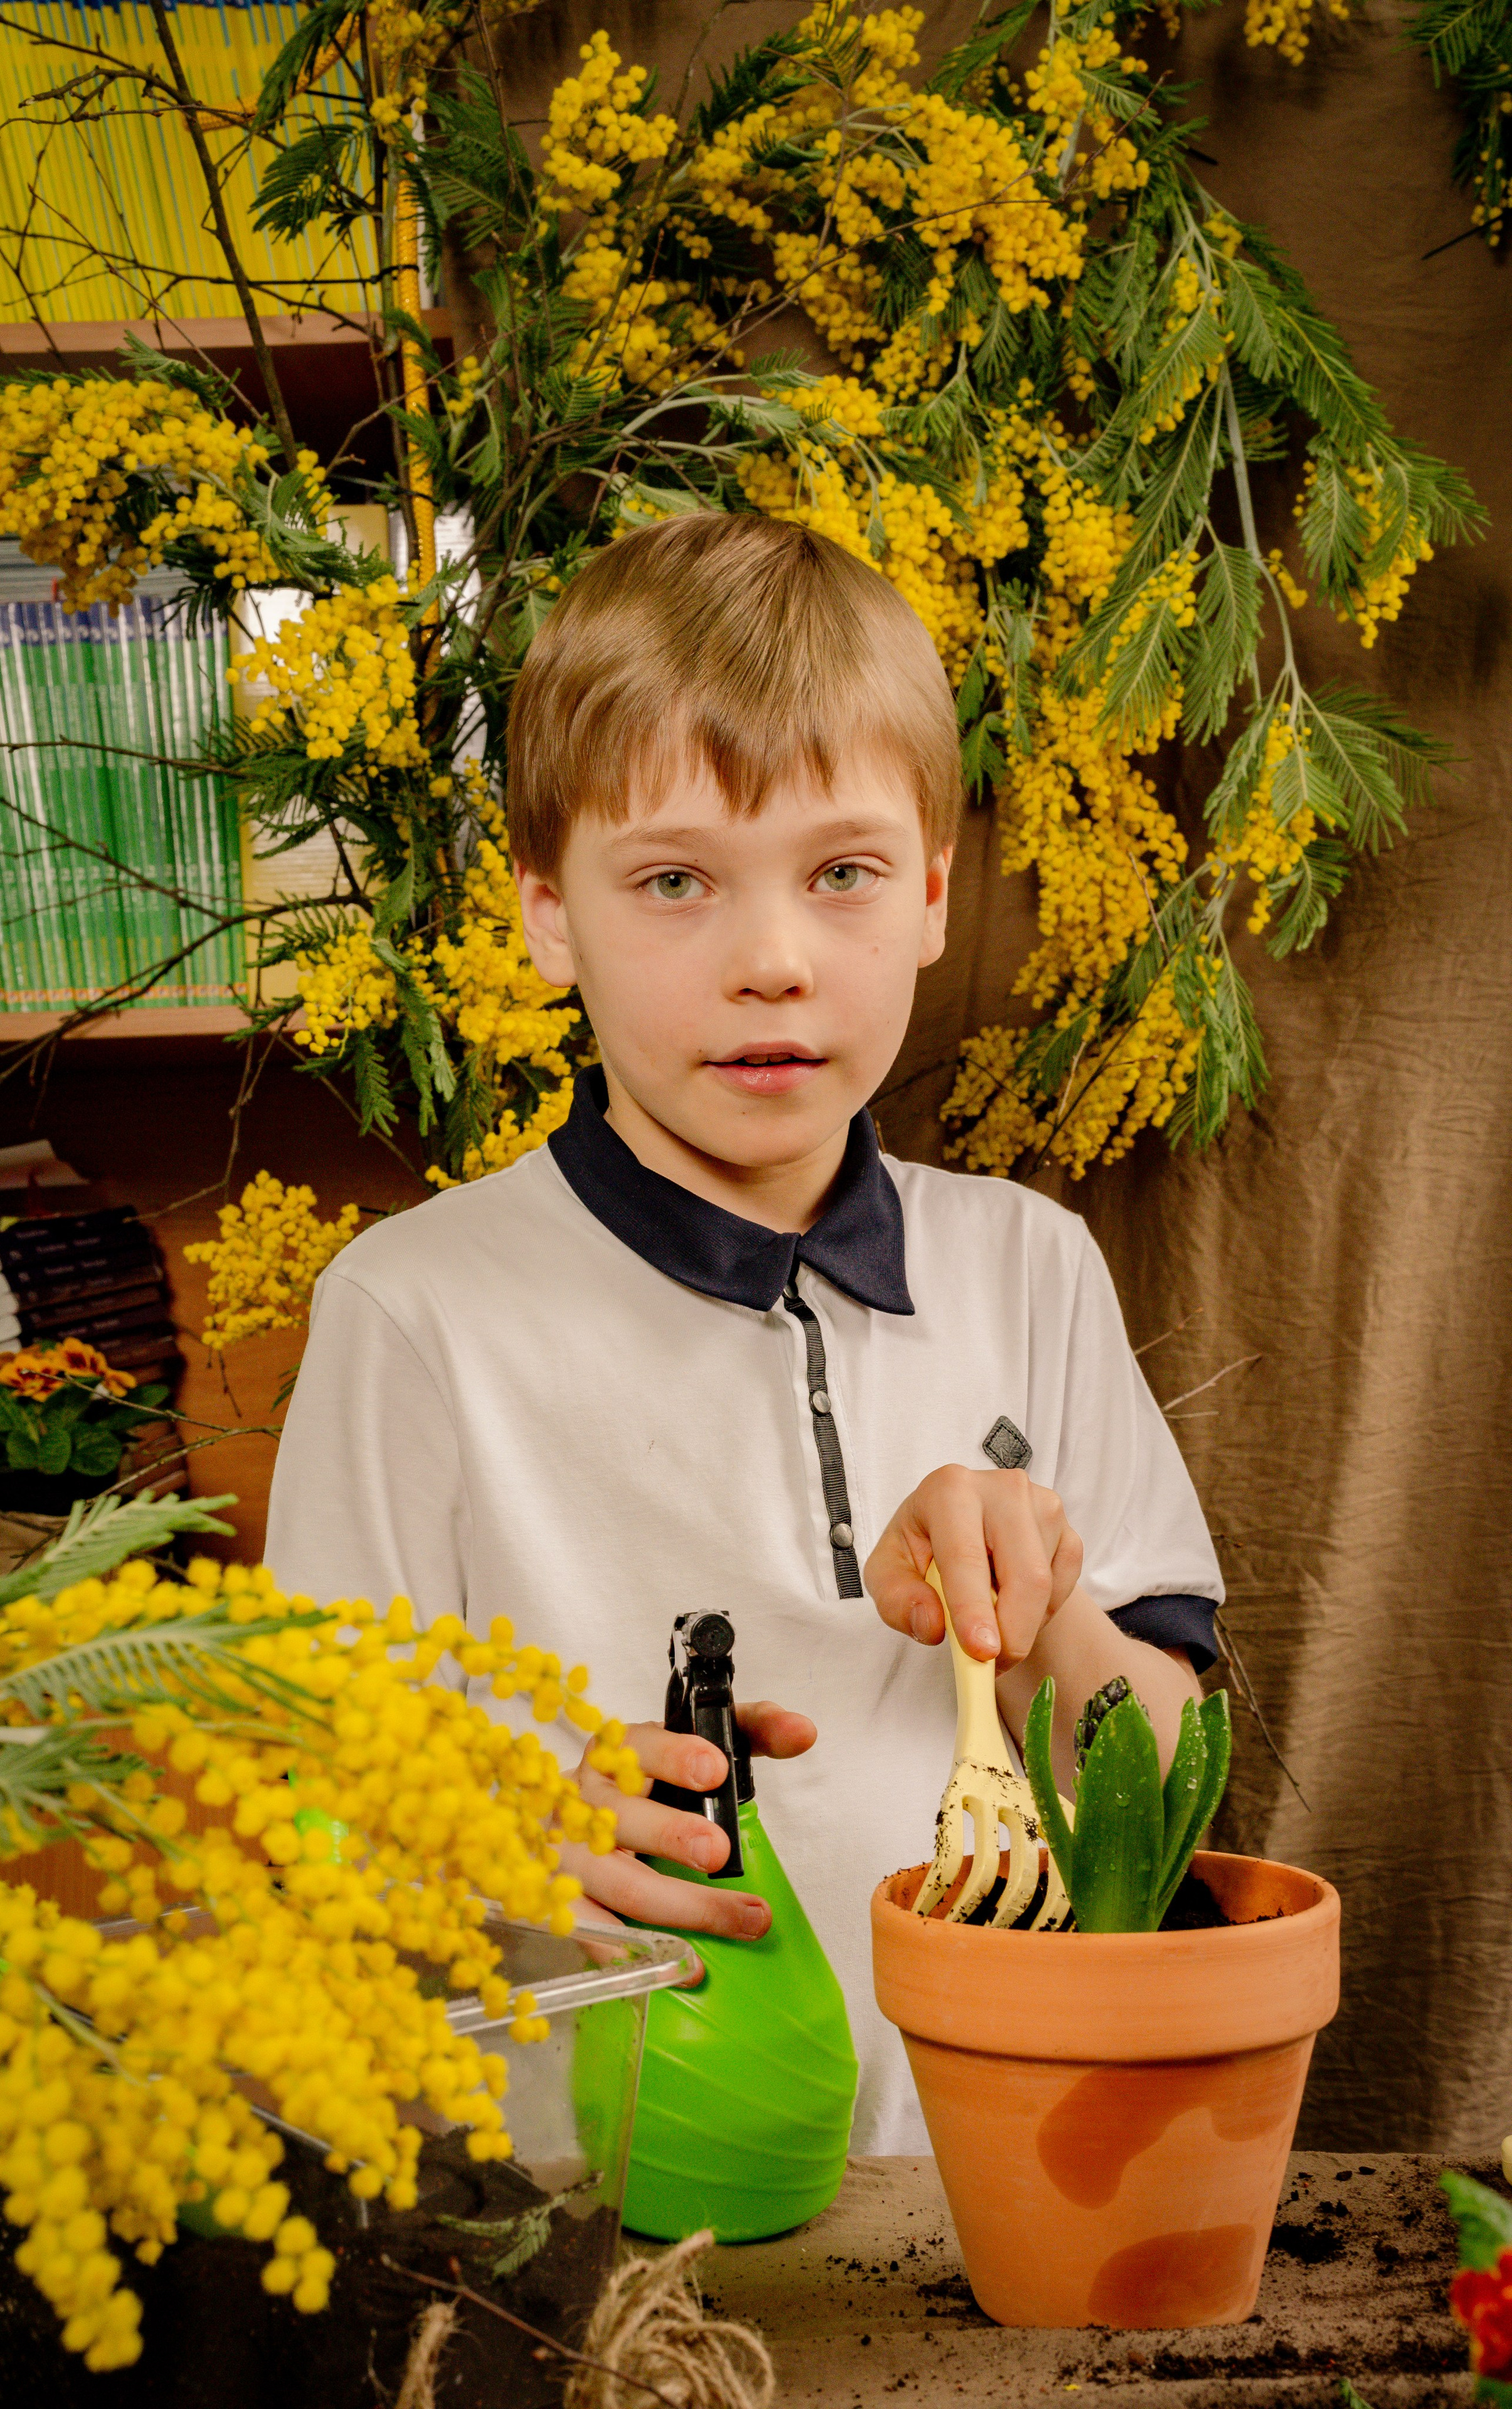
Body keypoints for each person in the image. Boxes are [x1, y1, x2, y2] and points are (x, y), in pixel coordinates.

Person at [264, 513, 1223, 2152]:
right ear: (550, 916)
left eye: (841, 874)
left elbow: (1183, 1763)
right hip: (591, 2217)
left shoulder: (1033, 1270)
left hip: (986, 2185)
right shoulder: (412, 1315)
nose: (773, 962)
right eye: (675, 883)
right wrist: (505, 1825)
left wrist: (1051, 1605)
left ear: (930, 897)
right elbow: (317, 1828)